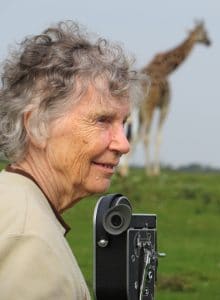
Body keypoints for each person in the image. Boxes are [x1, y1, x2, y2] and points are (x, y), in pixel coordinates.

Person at [0, 20, 145, 299]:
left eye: (123, 123)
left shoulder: (12, 200)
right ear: (37, 126)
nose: (124, 144)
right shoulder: (29, 243)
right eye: (102, 120)